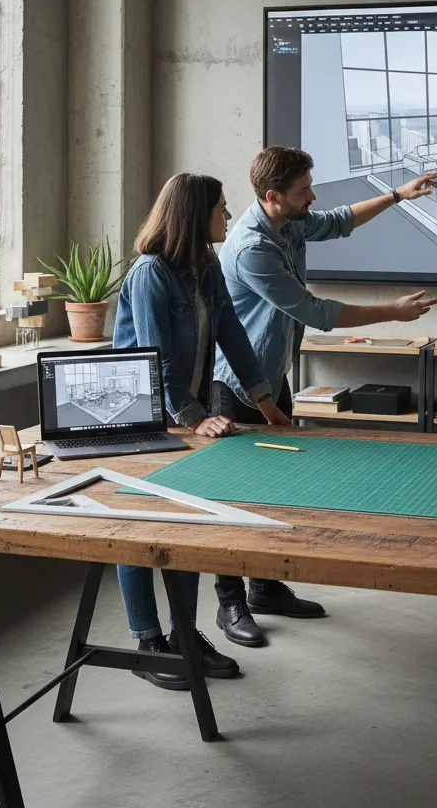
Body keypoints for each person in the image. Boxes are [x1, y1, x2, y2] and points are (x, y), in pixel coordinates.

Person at [210, 145, 437, 647]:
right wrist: (392, 313)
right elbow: (314, 311)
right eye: (302, 191)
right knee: (233, 499)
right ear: (273, 196)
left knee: (274, 491)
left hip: (274, 373)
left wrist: (400, 194)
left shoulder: (289, 222)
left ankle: (265, 587)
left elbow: (339, 221)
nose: (311, 197)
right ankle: (229, 603)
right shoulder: (252, 248)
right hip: (236, 385)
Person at [113, 172, 292, 690]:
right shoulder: (151, 274)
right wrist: (194, 416)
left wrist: (267, 404)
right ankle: (150, 644)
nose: (229, 216)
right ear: (195, 216)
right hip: (142, 416)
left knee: (186, 530)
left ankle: (186, 637)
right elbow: (155, 362)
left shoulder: (204, 265)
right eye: (221, 208)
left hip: (180, 417)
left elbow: (233, 334)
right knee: (138, 531)